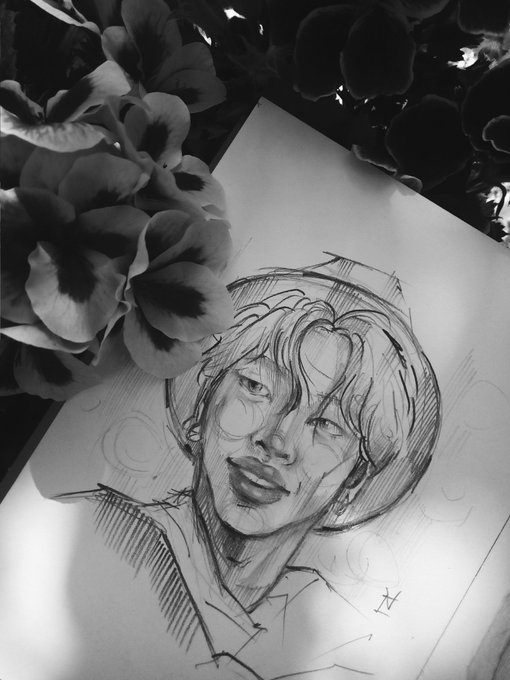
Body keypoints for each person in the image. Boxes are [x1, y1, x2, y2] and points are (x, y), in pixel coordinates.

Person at [61, 256, 441, 679]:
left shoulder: (342, 650)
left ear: (353, 480)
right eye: (256, 386)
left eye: (327, 424)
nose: (277, 442)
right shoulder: (99, 530)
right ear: (204, 400)